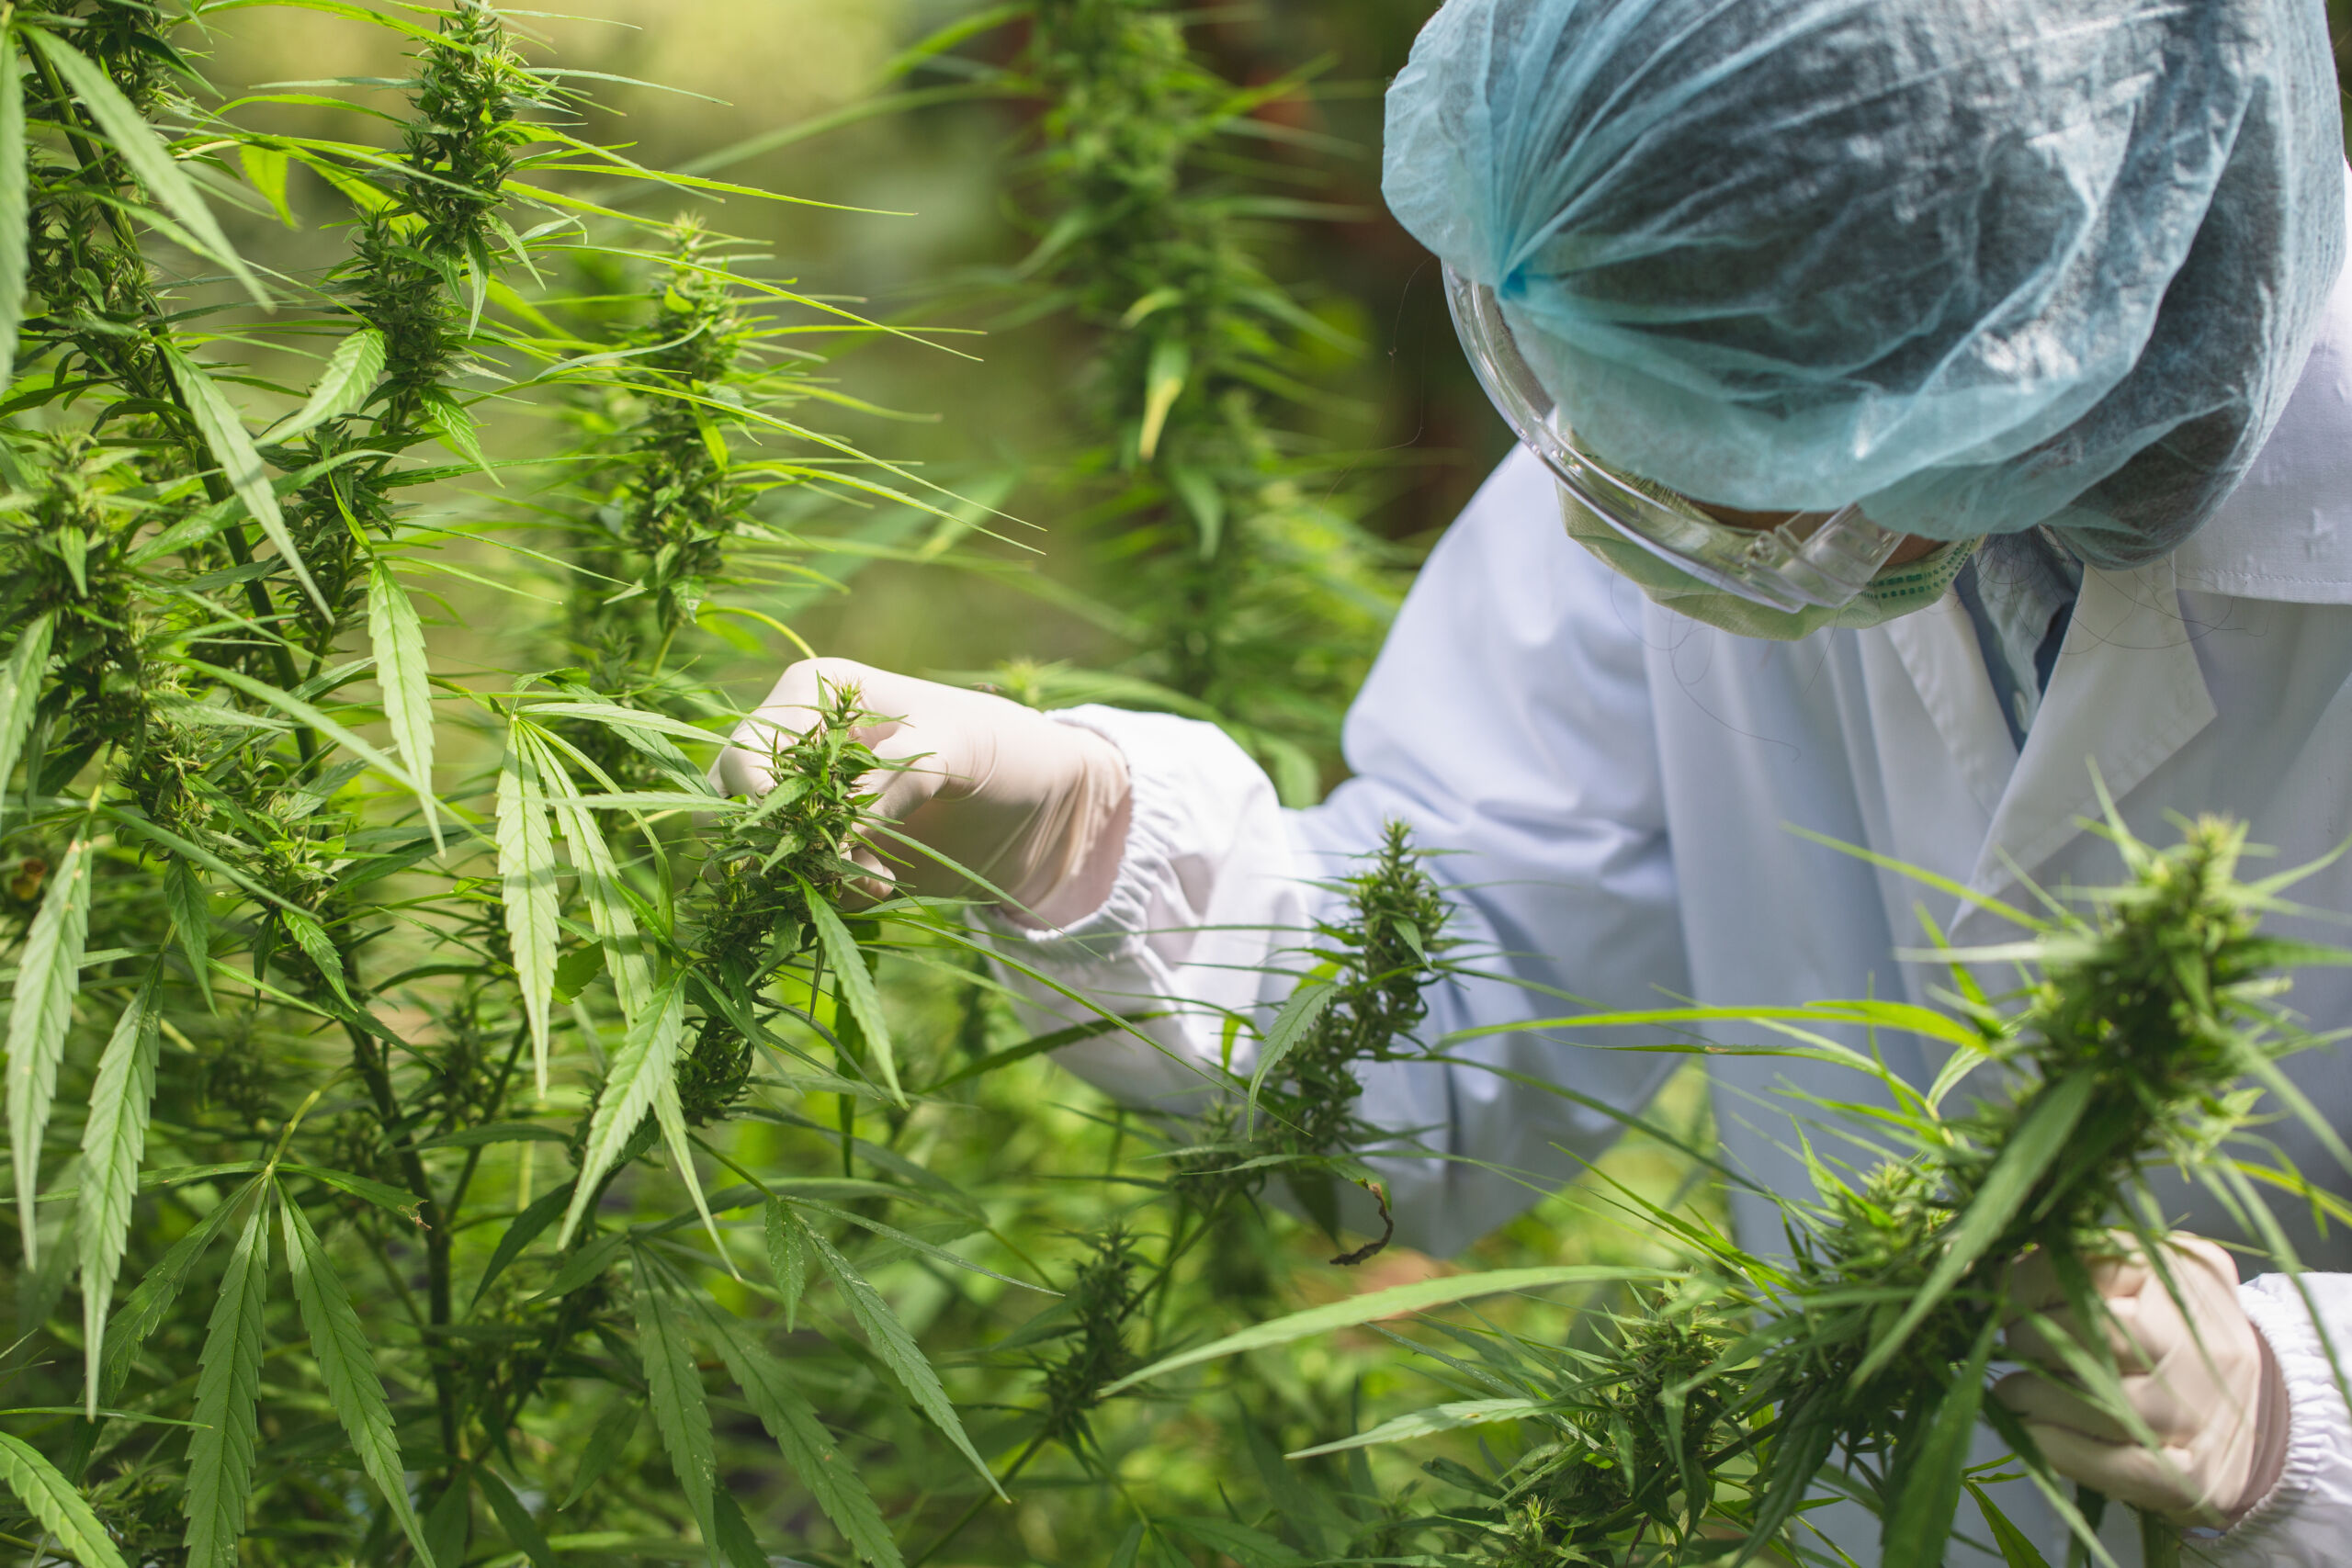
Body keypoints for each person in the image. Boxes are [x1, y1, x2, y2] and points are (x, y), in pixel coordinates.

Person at [714, 1, 2352, 1561]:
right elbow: (1459, 1006)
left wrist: (2297, 1411)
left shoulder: (1846, 295)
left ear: (2044, 326)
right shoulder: (1728, 309)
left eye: (1744, 457)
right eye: (1589, 402)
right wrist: (1075, 828)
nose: (1617, 511)